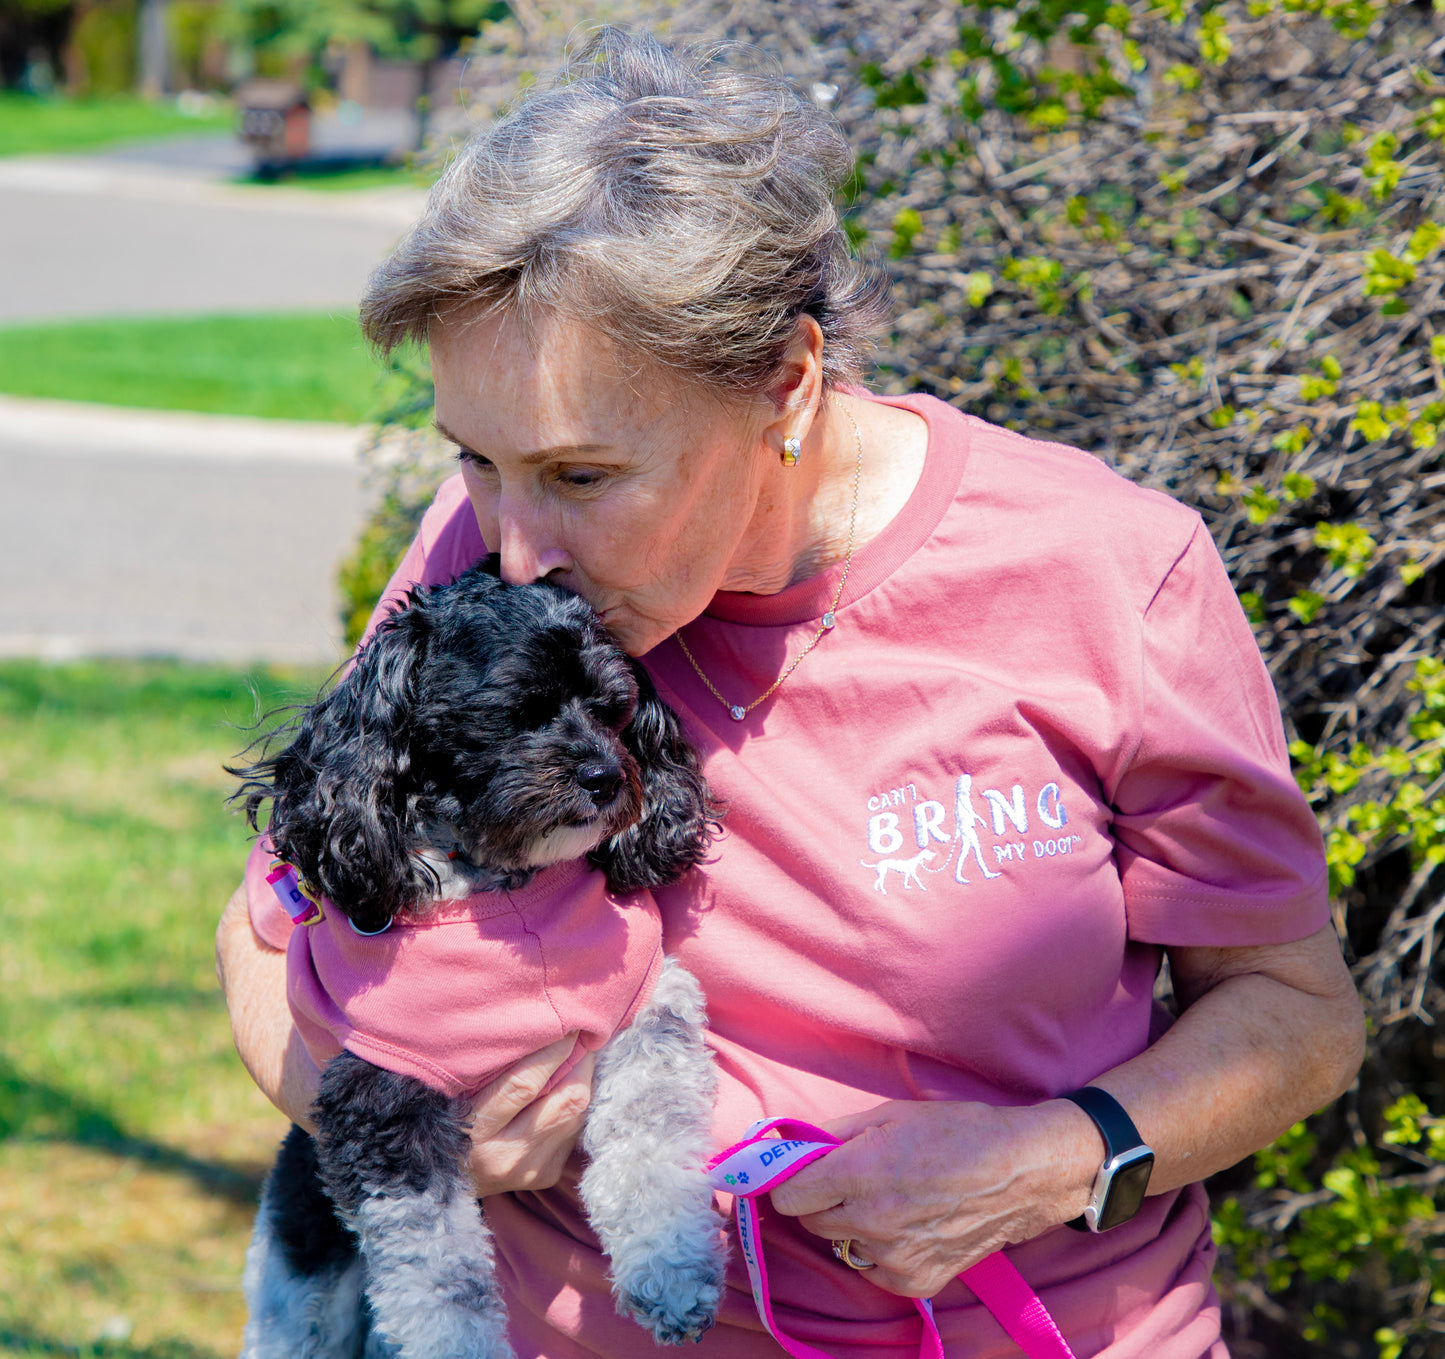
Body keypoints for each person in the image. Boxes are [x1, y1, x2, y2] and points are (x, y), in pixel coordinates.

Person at [215, 28, 1365, 1358]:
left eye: (584, 476)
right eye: (475, 456)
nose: (513, 542)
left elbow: (1295, 1012)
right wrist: (396, 1130)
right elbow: (263, 928)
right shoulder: (488, 560)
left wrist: (1059, 1156)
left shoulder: (1108, 574)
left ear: (788, 385)